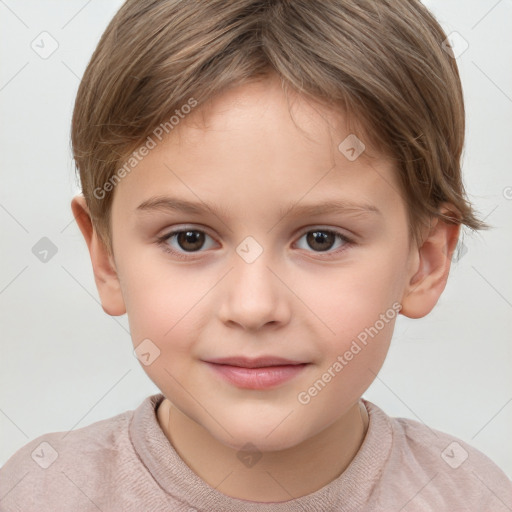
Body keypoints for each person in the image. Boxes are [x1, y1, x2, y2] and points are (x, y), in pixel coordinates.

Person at [1, 1, 511, 510]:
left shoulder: (472, 498)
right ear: (107, 258)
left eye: (321, 239)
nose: (253, 307)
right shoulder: (38, 493)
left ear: (424, 262)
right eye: (190, 239)